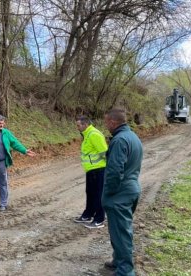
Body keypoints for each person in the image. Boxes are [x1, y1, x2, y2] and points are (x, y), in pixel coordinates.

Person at [102, 108, 143, 276]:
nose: (106, 126)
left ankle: (126, 271)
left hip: (120, 193)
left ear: (113, 122)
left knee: (122, 233)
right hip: (131, 188)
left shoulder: (119, 140)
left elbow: (114, 171)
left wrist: (109, 192)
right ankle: (118, 260)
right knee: (119, 230)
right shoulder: (133, 137)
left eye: (106, 123)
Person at [73, 115, 108, 229]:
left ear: (85, 124)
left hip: (98, 169)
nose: (77, 127)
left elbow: (104, 152)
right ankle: (88, 215)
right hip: (91, 170)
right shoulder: (88, 134)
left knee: (98, 194)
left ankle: (99, 220)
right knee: (91, 193)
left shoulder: (94, 134)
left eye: (78, 125)